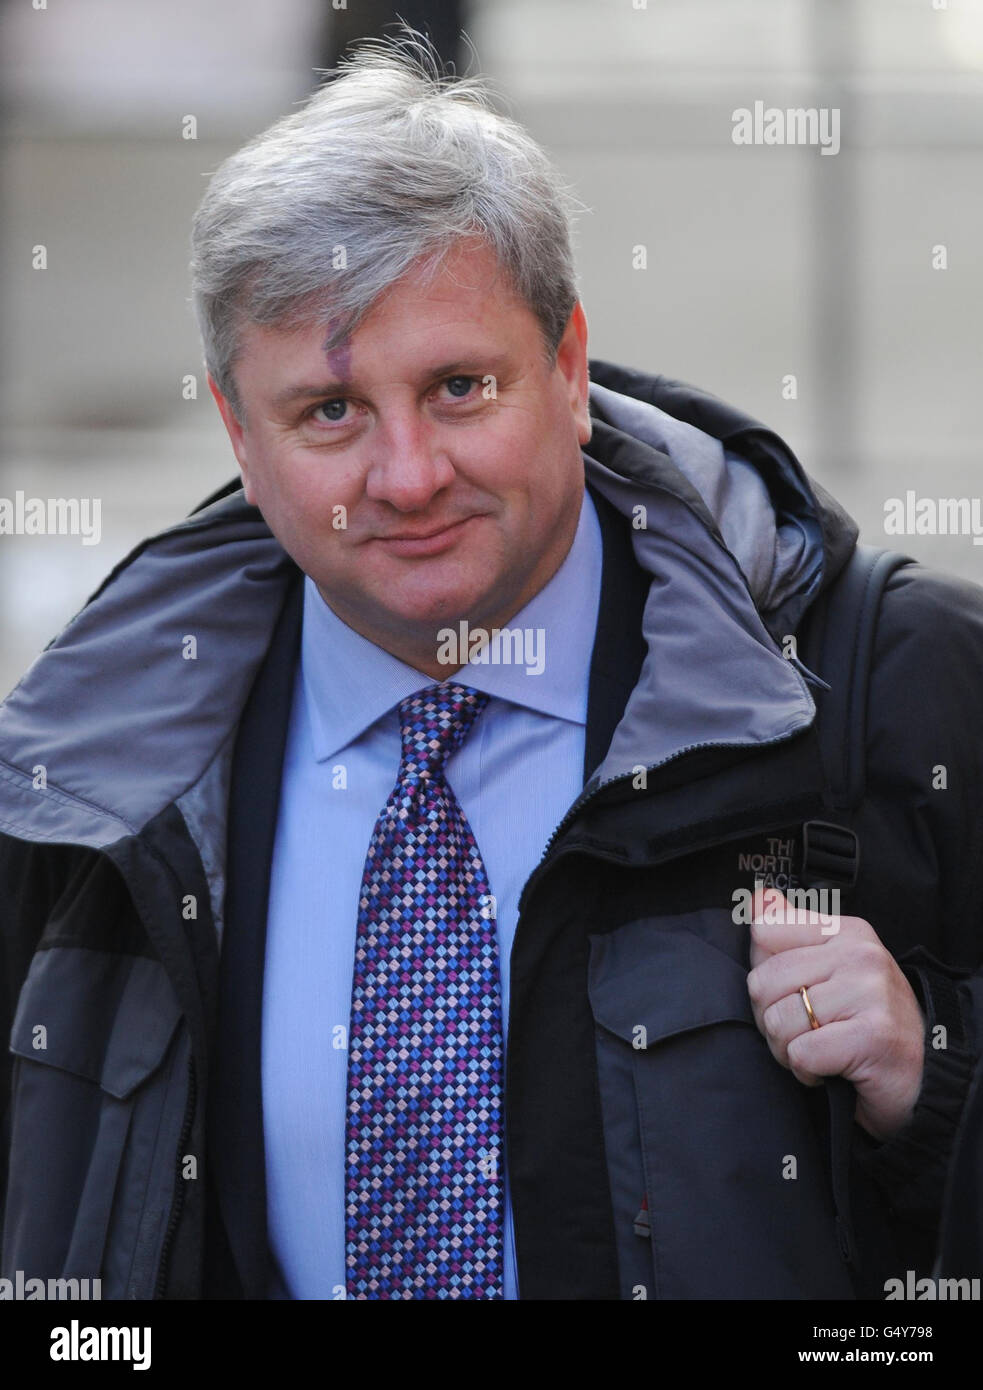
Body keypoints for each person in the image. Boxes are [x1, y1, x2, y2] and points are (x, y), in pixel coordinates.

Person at [1, 34, 982, 1303]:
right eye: (329, 413)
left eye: (460, 387)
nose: (406, 477)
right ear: (240, 434)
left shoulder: (896, 687)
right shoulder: (87, 776)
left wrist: (932, 1081)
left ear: (569, 369)